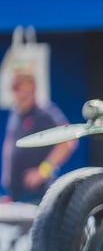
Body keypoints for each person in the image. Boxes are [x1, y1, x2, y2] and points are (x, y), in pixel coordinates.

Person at [1, 71, 74, 203]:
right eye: (16, 89)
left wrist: (42, 171)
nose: (20, 95)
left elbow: (69, 141)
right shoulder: (16, 112)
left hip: (37, 194)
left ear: (33, 90)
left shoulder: (44, 113)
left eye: (24, 92)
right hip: (15, 193)